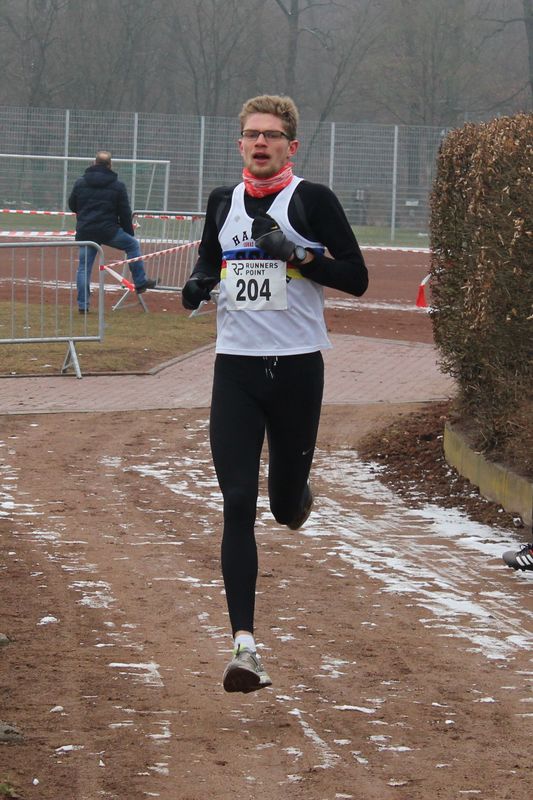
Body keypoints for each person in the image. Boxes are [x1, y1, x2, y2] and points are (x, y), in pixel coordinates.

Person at [181, 94, 369, 694]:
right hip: (235, 372)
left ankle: (295, 497)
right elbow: (210, 261)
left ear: (291, 145)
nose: (261, 142)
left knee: (283, 508)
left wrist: (298, 254)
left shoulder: (312, 200)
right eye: (252, 134)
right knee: (238, 501)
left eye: (272, 135)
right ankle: (245, 647)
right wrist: (197, 283)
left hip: (296, 372)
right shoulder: (222, 201)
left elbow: (357, 278)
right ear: (240, 143)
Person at [68, 150, 157, 313]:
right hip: (108, 231)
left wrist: (85, 214)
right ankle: (140, 282)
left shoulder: (80, 183)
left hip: (86, 231)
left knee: (84, 268)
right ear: (110, 165)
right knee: (132, 245)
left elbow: (72, 205)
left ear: (94, 163)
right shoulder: (117, 186)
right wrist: (129, 232)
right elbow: (124, 212)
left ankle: (83, 305)